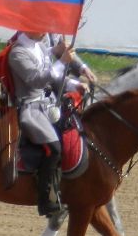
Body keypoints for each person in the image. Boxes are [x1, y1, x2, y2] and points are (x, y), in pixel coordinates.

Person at [7, 31, 98, 223]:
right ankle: (46, 200)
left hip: (48, 103)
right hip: (29, 109)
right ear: (28, 27)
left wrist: (74, 86)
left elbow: (54, 78)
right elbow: (38, 79)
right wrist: (63, 61)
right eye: (40, 27)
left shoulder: (39, 47)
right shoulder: (17, 53)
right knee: (54, 148)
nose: (45, 32)